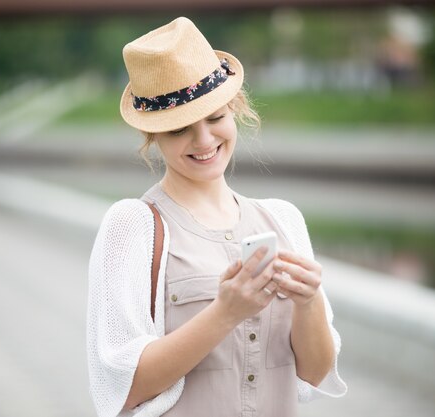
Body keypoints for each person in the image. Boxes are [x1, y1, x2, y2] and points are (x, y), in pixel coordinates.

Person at [87, 16, 347, 417]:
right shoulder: (133, 225)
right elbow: (123, 387)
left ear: (235, 109)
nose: (204, 141)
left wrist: (309, 301)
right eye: (180, 130)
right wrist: (225, 313)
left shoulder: (283, 219)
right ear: (153, 136)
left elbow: (315, 373)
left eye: (215, 118)